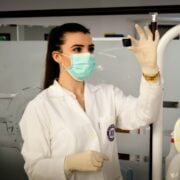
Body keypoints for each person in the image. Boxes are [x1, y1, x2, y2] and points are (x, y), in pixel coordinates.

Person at [19, 22, 162, 180]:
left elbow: (145, 114)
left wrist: (150, 70)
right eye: (77, 49)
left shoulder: (107, 94)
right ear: (57, 56)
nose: (87, 55)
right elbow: (34, 170)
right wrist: (67, 163)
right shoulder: (39, 108)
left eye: (90, 49)